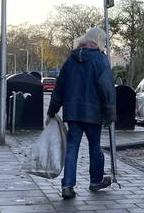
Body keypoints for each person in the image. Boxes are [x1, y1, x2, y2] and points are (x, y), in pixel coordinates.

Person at [46, 26, 116, 200]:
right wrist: (110, 113)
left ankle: (68, 185)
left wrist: (52, 110)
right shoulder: (101, 60)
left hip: (73, 112)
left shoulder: (70, 60)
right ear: (98, 41)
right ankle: (95, 181)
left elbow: (59, 87)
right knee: (95, 147)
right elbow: (106, 88)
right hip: (94, 112)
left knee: (72, 147)